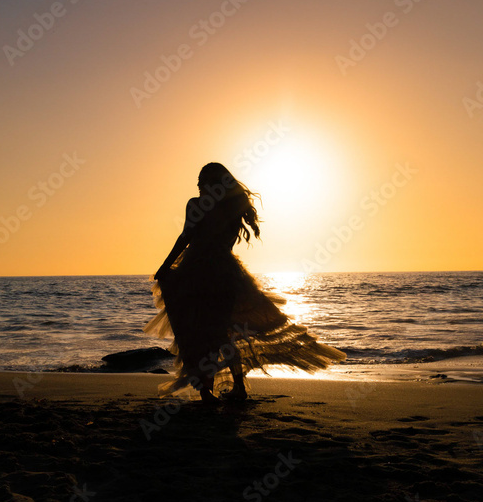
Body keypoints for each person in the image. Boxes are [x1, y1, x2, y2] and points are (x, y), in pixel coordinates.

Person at [146, 162, 345, 403]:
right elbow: (227, 245)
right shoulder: (232, 209)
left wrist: (165, 267)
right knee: (223, 335)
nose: (198, 185)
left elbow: (186, 237)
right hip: (227, 275)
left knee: (195, 334)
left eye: (202, 181)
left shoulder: (196, 204)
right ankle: (238, 386)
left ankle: (206, 390)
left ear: (213, 183)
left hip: (197, 275)